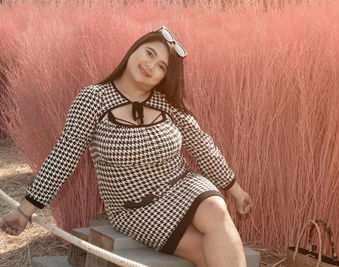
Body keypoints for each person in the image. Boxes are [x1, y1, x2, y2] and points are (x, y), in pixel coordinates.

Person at [0, 26, 253, 267]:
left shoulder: (168, 102)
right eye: (149, 54)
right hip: (135, 208)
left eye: (161, 66)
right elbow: (63, 157)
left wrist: (236, 190)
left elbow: (202, 145)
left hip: (184, 184)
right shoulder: (92, 99)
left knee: (216, 211)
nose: (150, 66)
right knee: (205, 254)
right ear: (135, 49)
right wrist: (25, 211)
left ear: (165, 76)